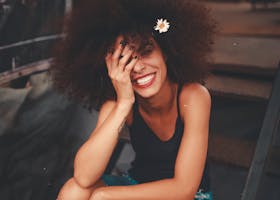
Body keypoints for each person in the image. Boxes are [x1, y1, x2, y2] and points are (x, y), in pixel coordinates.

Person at [51, 0, 217, 199]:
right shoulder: (118, 102)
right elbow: (84, 177)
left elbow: (184, 189)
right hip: (137, 184)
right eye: (125, 60)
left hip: (188, 196)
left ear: (166, 50)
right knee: (74, 191)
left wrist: (106, 196)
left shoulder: (193, 96)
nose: (137, 67)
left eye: (146, 51)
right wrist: (124, 104)